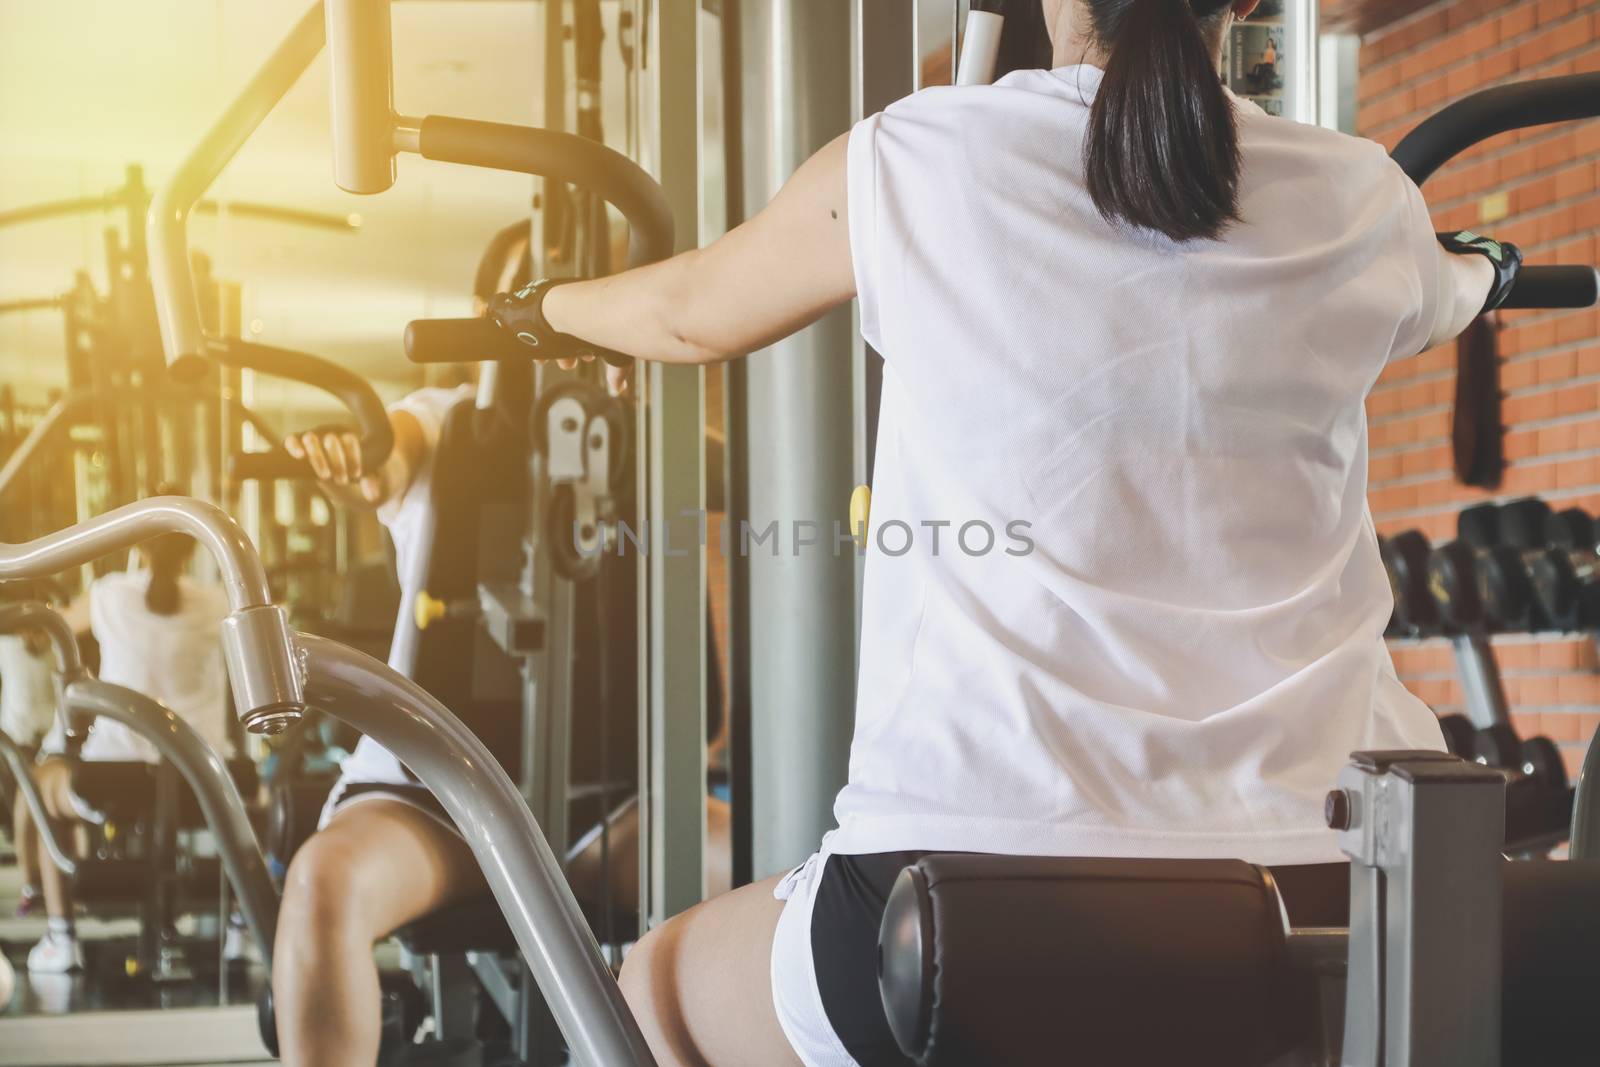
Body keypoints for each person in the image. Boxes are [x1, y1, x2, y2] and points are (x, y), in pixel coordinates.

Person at [485, 0, 1518, 1064]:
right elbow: (1458, 285)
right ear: (1247, 6)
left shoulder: (919, 155)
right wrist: (1497, 266)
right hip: (1338, 890)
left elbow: (687, 310)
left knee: (642, 997)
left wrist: (535, 310)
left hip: (960, 897)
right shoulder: (1365, 196)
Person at [270, 228, 731, 1067]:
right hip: (437, 798)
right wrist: (360, 457)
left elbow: (717, 697)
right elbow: (388, 457)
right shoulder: (447, 425)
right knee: (322, 883)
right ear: (493, 319)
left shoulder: (654, 448)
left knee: (764, 865)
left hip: (612, 808)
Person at [22, 532, 231, 974]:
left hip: (117, 778)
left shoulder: (109, 594)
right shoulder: (218, 602)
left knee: (43, 785)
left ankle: (62, 938)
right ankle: (241, 927)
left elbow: (52, 628)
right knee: (248, 797)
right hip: (204, 777)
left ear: (138, 547)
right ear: (192, 551)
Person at [3, 622, 58, 918]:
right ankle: (31, 886)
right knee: (25, 815)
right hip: (17, 743)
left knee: (45, 818)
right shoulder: (6, 645)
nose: (31, 632)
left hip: (52, 743)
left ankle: (46, 887)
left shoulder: (59, 645)